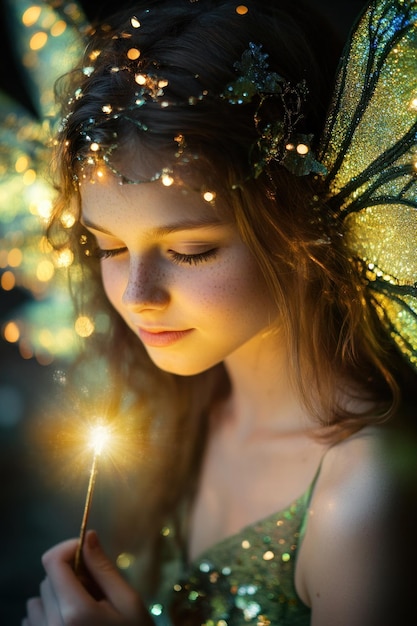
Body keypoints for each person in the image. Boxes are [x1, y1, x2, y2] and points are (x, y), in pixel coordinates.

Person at [21, 0, 417, 624]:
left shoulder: (361, 497)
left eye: (191, 251)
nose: (137, 294)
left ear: (300, 226)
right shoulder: (176, 412)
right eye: (112, 248)